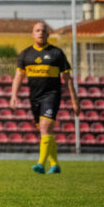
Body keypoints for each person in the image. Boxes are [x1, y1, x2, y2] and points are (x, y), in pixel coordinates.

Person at [10, 21, 80, 174]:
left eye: (43, 30)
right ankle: (55, 165)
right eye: (37, 30)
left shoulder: (57, 54)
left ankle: (40, 164)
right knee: (46, 131)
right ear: (32, 34)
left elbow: (68, 79)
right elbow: (18, 76)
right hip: (34, 98)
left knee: (45, 126)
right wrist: (14, 95)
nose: (40, 33)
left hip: (52, 96)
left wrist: (75, 101)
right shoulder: (25, 54)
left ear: (48, 34)